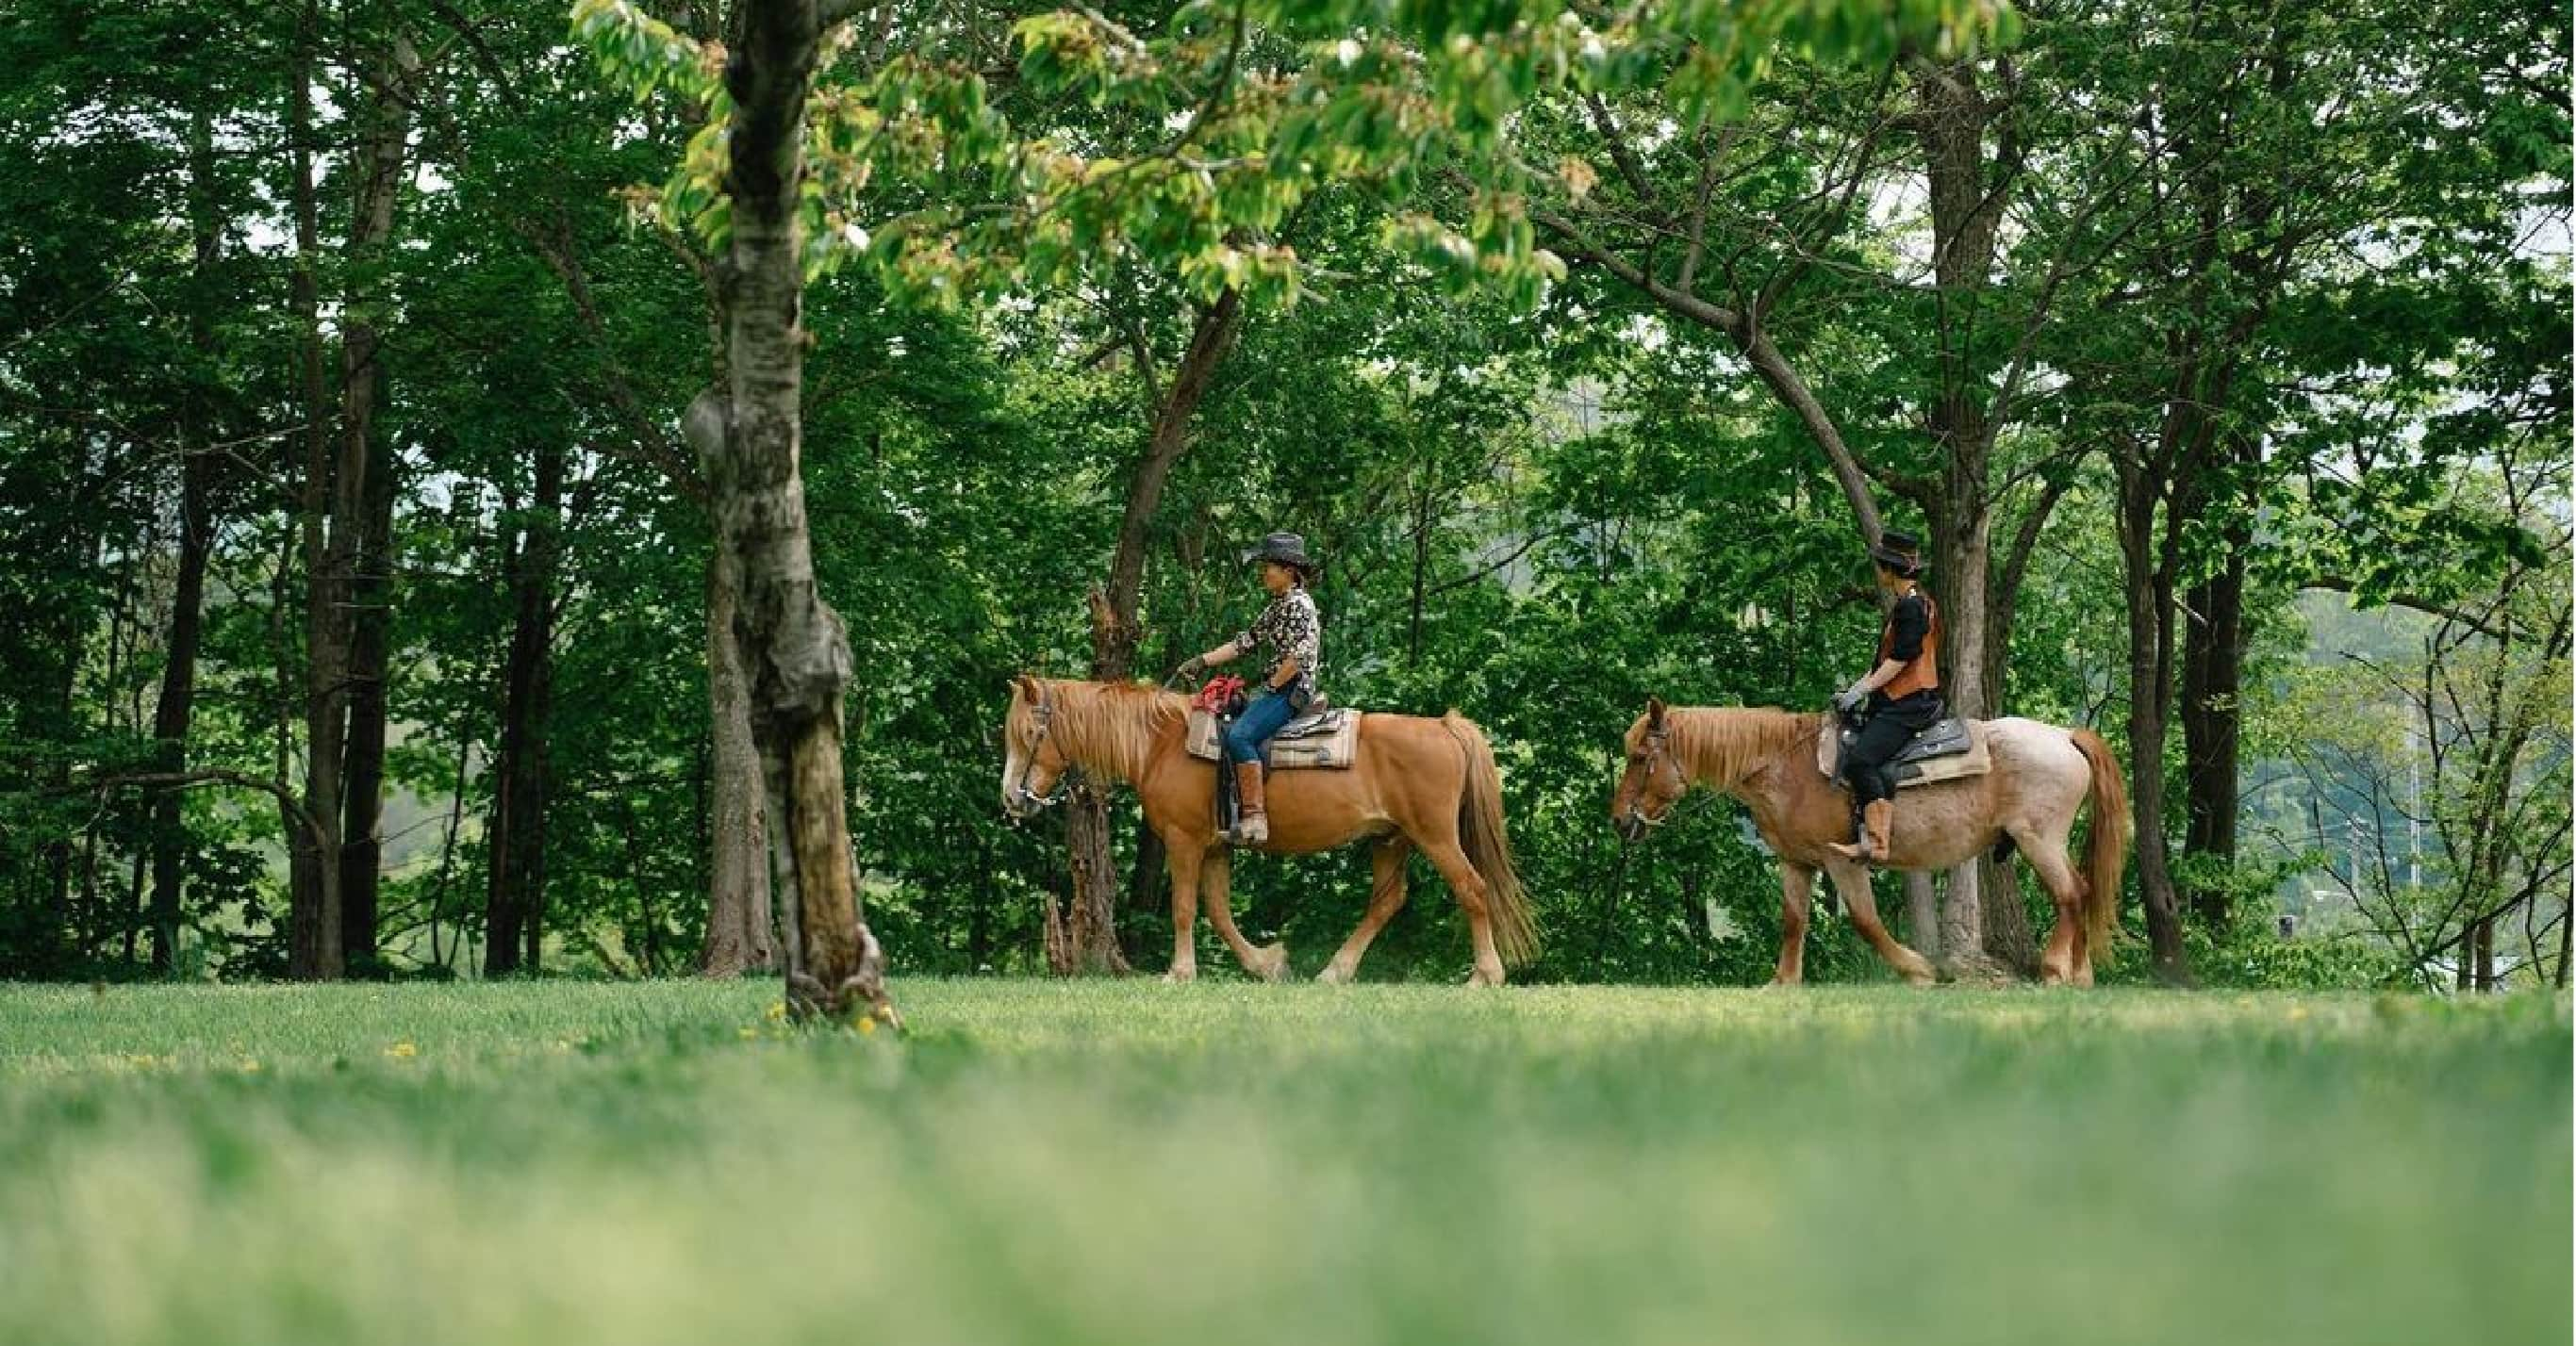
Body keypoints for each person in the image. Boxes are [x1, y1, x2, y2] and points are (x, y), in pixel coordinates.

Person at [1178, 533, 1322, 845]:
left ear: (1288, 570)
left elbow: (1298, 658)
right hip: (1281, 686)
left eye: (1268, 566)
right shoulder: (1279, 605)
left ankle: (1255, 818)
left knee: (1240, 735)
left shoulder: (1298, 605)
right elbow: (1244, 642)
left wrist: (1270, 687)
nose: (1264, 573)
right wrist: (1203, 661)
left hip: (1291, 690)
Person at [1827, 530, 1942, 863]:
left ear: (1888, 570)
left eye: (1879, 565)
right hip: (1902, 698)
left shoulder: (1910, 609)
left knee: (1860, 761)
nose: (1877, 571)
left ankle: (1877, 843)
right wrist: (1854, 689)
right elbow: (1883, 663)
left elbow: (1901, 659)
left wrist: (1863, 690)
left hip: (1908, 704)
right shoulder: (1915, 603)